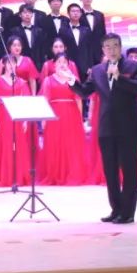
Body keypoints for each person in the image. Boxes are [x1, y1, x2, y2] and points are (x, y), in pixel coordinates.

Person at [67, 33, 137, 224]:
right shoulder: (97, 70)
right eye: (107, 47)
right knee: (110, 172)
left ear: (120, 47)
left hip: (128, 127)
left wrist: (120, 78)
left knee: (129, 171)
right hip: (106, 127)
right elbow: (85, 91)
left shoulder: (133, 67)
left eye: (115, 45)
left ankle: (127, 213)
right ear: (103, 50)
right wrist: (71, 81)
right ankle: (116, 209)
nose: (112, 50)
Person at [39, 53, 87, 185]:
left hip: (71, 113)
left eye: (64, 62)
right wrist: (44, 119)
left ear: (68, 64)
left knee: (71, 144)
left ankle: (71, 173)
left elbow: (79, 100)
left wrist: (80, 118)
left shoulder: (73, 79)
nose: (62, 64)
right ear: (54, 64)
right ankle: (55, 174)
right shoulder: (48, 80)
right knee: (55, 143)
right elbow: (45, 100)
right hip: (54, 114)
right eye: (59, 62)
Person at [0, 54, 31, 187]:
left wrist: (25, 120)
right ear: (4, 65)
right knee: (6, 144)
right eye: (8, 63)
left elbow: (24, 102)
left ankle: (18, 176)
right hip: (3, 115)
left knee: (19, 144)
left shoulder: (21, 82)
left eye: (13, 63)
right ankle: (6, 176)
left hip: (17, 115)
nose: (10, 65)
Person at [78, 0, 106, 68]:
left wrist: (105, 52)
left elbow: (103, 34)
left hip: (98, 53)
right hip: (84, 53)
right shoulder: (77, 14)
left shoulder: (99, 15)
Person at [12, 4, 46, 69]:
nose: (27, 15)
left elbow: (42, 50)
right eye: (25, 12)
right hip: (21, 64)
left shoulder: (39, 31)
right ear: (20, 15)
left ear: (32, 14)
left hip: (38, 65)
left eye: (30, 12)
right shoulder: (14, 31)